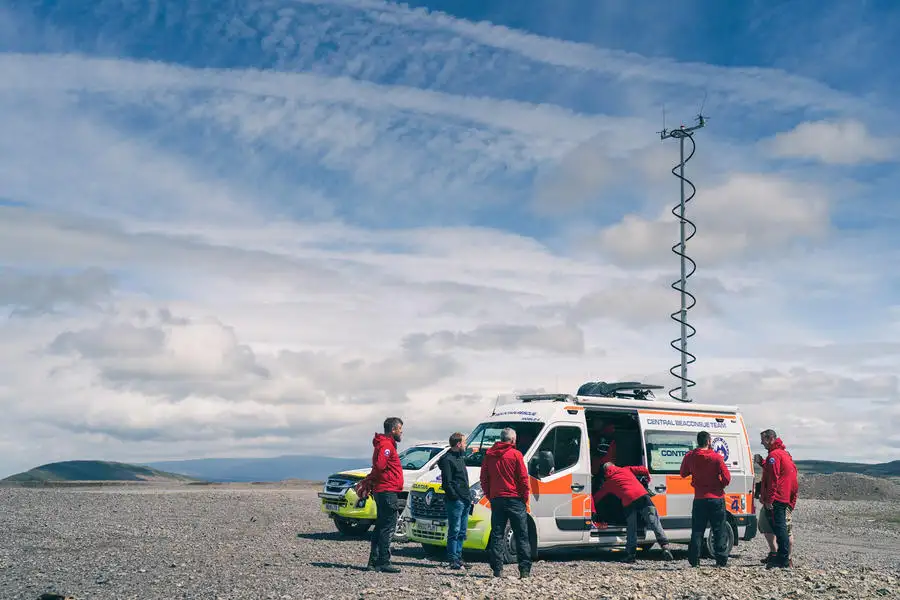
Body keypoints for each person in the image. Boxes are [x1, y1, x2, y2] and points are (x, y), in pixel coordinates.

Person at [592, 462, 674, 562]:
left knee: (632, 528)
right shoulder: (626, 469)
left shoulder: (608, 482)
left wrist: (591, 507)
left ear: (605, 472)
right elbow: (644, 469)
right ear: (614, 466)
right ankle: (665, 546)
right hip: (643, 497)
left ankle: (631, 555)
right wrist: (648, 478)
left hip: (628, 502)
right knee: (655, 523)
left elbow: (598, 497)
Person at [480, 427, 532, 579]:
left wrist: (490, 495)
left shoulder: (489, 455)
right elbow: (523, 479)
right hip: (515, 499)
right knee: (521, 535)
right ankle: (524, 571)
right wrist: (525, 497)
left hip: (497, 499)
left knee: (497, 534)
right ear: (513, 440)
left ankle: (497, 570)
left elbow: (484, 478)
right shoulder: (516, 455)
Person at [680, 430, 732, 567]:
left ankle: (694, 560)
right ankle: (721, 559)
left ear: (698, 441)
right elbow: (727, 478)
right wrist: (719, 485)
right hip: (716, 498)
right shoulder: (716, 457)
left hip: (699, 498)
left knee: (697, 530)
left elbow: (683, 473)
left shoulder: (690, 456)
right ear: (709, 441)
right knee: (719, 529)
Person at [366, 417, 404, 573]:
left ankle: (373, 562)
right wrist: (382, 477)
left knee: (380, 526)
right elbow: (381, 465)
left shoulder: (384, 444)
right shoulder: (387, 445)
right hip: (387, 490)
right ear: (394, 430)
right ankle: (383, 561)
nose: (401, 432)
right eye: (400, 429)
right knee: (388, 526)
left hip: (382, 490)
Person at [759, 429, 798, 569]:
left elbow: (774, 479)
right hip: (784, 497)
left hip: (778, 498)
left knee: (780, 529)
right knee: (779, 528)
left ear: (770, 439)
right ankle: (783, 557)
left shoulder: (774, 456)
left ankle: (782, 559)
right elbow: (790, 477)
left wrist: (769, 499)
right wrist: (792, 500)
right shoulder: (784, 454)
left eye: (763, 439)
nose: (761, 442)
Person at [438, 431, 472, 570]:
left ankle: (458, 557)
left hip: (465, 499)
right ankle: (452, 558)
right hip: (456, 501)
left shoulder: (460, 457)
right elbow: (447, 482)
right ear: (458, 444)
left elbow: (463, 479)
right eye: (464, 442)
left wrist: (468, 497)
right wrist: (455, 497)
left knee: (462, 531)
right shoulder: (447, 459)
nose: (466, 445)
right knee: (455, 530)